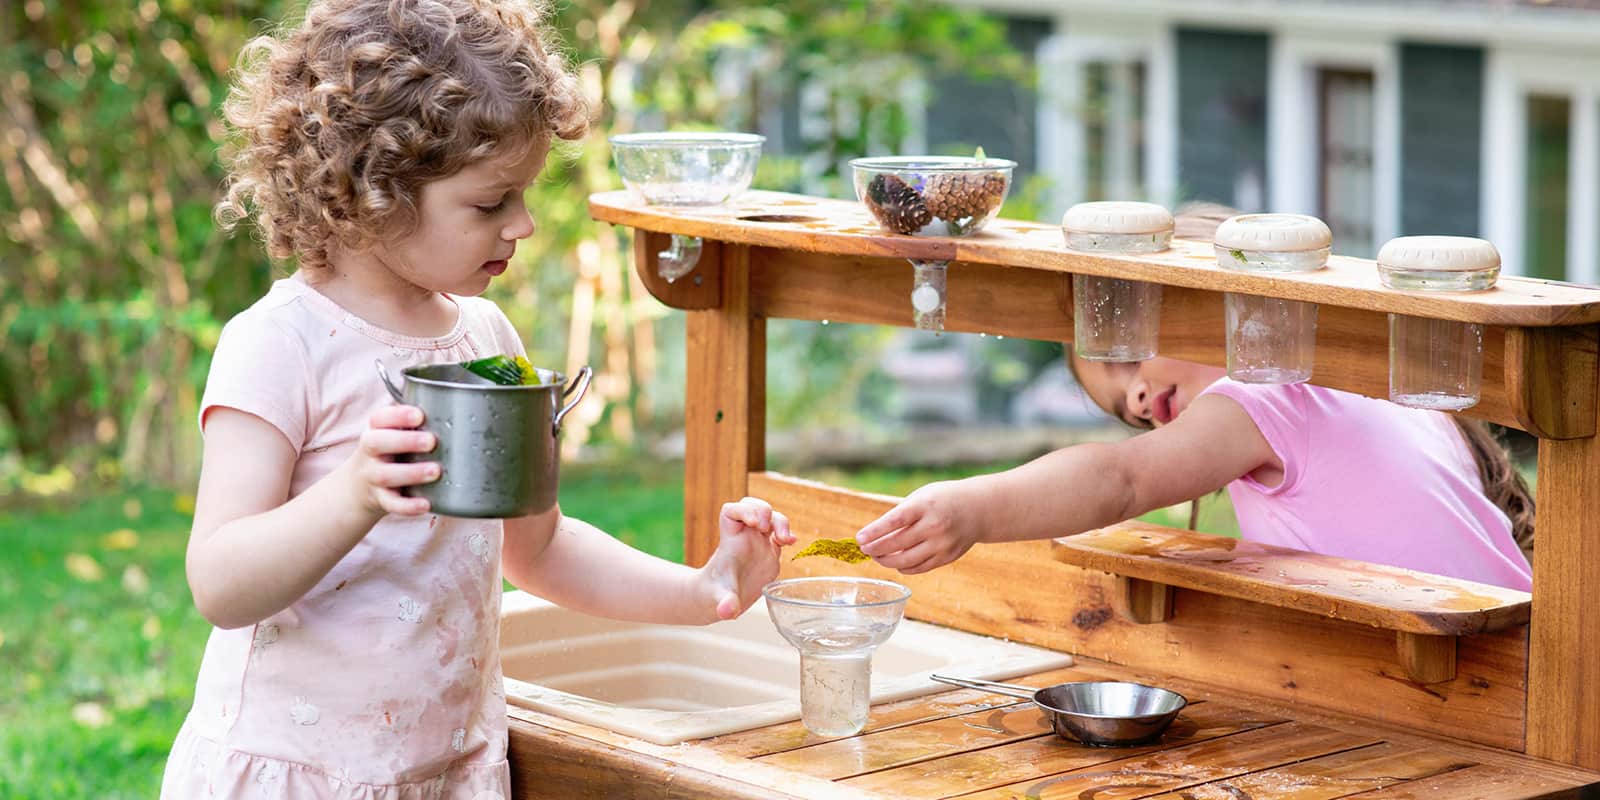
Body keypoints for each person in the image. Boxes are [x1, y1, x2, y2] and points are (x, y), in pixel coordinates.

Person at [163, 2, 795, 797]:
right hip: (303, 773)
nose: (523, 225)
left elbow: (539, 548)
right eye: (491, 203)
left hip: (447, 769)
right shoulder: (279, 344)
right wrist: (354, 495)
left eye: (523, 197)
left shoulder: (488, 341)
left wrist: (705, 590)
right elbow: (221, 584)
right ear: (375, 192)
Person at [854, 204, 1533, 591]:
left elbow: (1120, 479)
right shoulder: (1378, 390)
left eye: (1128, 356)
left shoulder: (1266, 393)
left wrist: (972, 508)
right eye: (1125, 409)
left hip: (1487, 680)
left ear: (1210, 295)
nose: (1142, 399)